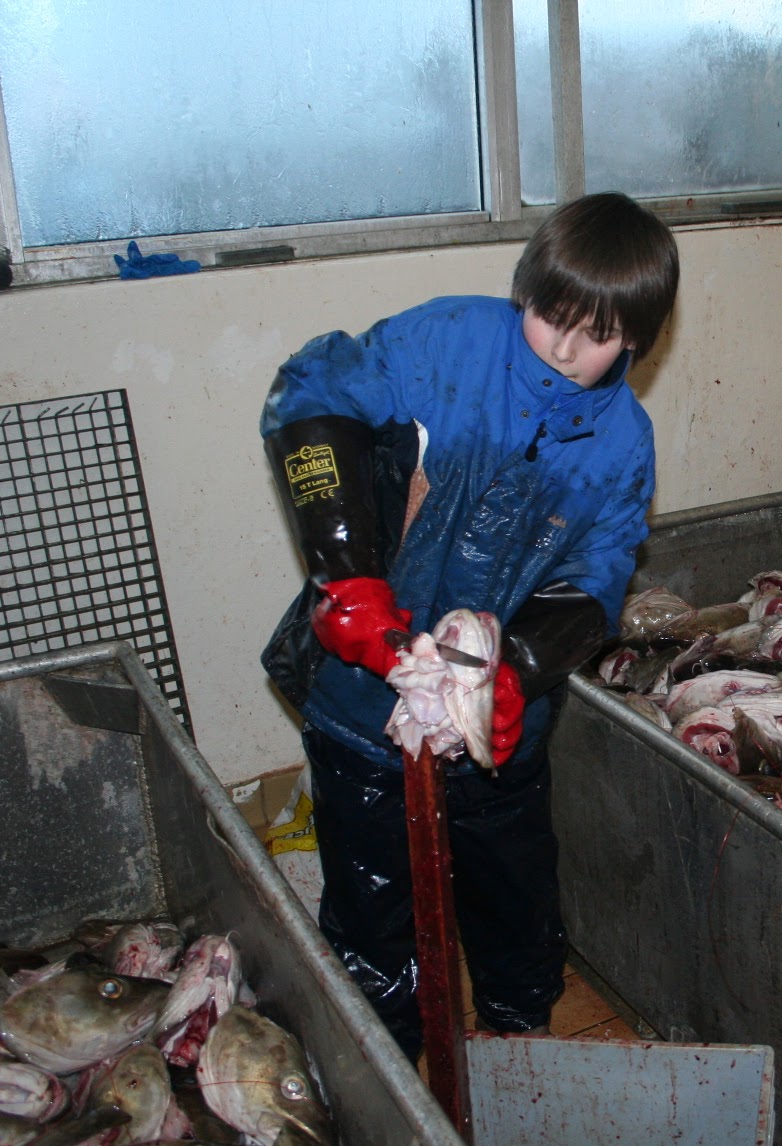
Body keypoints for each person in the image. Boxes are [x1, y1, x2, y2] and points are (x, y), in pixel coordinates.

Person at [258, 191, 679, 1059]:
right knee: (377, 920)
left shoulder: (623, 445)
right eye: (550, 316)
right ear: (523, 290)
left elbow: (597, 576)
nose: (565, 348)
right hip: (360, 694)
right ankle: (398, 1075)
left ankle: (520, 1050)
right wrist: (349, 584)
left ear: (637, 337)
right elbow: (311, 391)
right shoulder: (444, 340)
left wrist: (515, 675)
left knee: (515, 903)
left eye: (596, 335)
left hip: (499, 729)